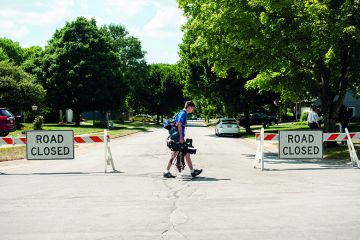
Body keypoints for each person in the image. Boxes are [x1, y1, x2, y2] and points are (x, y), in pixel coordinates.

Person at [163, 101, 203, 178]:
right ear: (189, 107)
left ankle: (192, 171)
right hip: (178, 137)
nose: (193, 110)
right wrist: (181, 137)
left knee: (186, 153)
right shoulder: (183, 113)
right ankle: (166, 171)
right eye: (193, 108)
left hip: (177, 137)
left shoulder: (181, 112)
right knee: (175, 154)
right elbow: (179, 125)